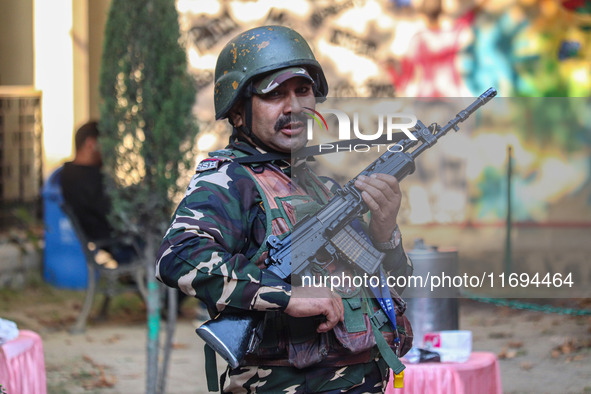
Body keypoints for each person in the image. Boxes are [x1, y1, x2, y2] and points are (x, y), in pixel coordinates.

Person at [156, 25, 413, 393]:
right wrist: (284, 295)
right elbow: (177, 256)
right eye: (275, 94)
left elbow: (392, 290)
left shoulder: (321, 188)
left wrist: (384, 233)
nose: (294, 107)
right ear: (239, 112)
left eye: (303, 91)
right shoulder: (230, 181)